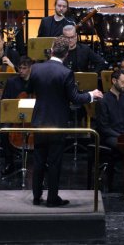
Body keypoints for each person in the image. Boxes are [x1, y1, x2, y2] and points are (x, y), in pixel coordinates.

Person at [29, 36, 103, 207]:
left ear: (52, 49)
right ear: (67, 54)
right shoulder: (66, 73)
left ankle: (36, 195)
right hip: (57, 123)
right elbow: (75, 98)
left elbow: (30, 90)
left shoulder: (36, 68)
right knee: (54, 161)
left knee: (39, 159)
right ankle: (52, 198)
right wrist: (92, 94)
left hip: (39, 120)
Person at [0, 56, 33, 175]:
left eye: (24, 68)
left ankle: (43, 162)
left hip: (33, 117)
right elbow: (5, 102)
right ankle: (9, 162)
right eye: (20, 68)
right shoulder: (12, 82)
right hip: (16, 117)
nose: (21, 71)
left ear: (30, 68)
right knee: (4, 131)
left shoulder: (36, 81)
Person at [95, 69, 124, 153]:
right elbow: (104, 128)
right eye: (123, 82)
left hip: (123, 134)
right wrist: (121, 137)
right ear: (114, 81)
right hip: (109, 136)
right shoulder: (103, 100)